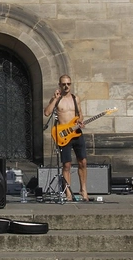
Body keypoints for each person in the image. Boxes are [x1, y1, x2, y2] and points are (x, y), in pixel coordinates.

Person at [43, 74, 89, 202]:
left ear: (71, 84)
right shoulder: (58, 100)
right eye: (63, 84)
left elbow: (80, 114)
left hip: (76, 133)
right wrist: (54, 99)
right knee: (67, 164)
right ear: (60, 85)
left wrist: (80, 120)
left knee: (83, 161)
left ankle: (83, 189)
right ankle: (68, 192)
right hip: (64, 135)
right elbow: (47, 113)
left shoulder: (75, 98)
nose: (66, 86)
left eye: (68, 84)